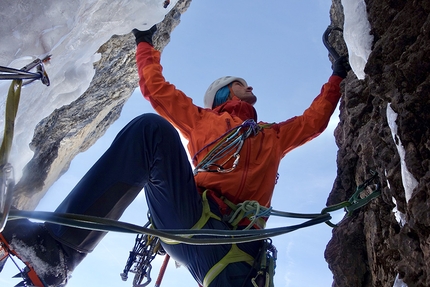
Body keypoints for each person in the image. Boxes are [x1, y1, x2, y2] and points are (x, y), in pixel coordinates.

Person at [0, 24, 349, 287]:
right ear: (226, 91)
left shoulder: (272, 136)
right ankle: (57, 252)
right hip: (192, 217)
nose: (251, 87)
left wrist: (337, 74)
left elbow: (313, 121)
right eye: (243, 83)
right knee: (151, 132)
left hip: (239, 248)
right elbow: (157, 90)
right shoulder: (203, 121)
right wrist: (144, 44)